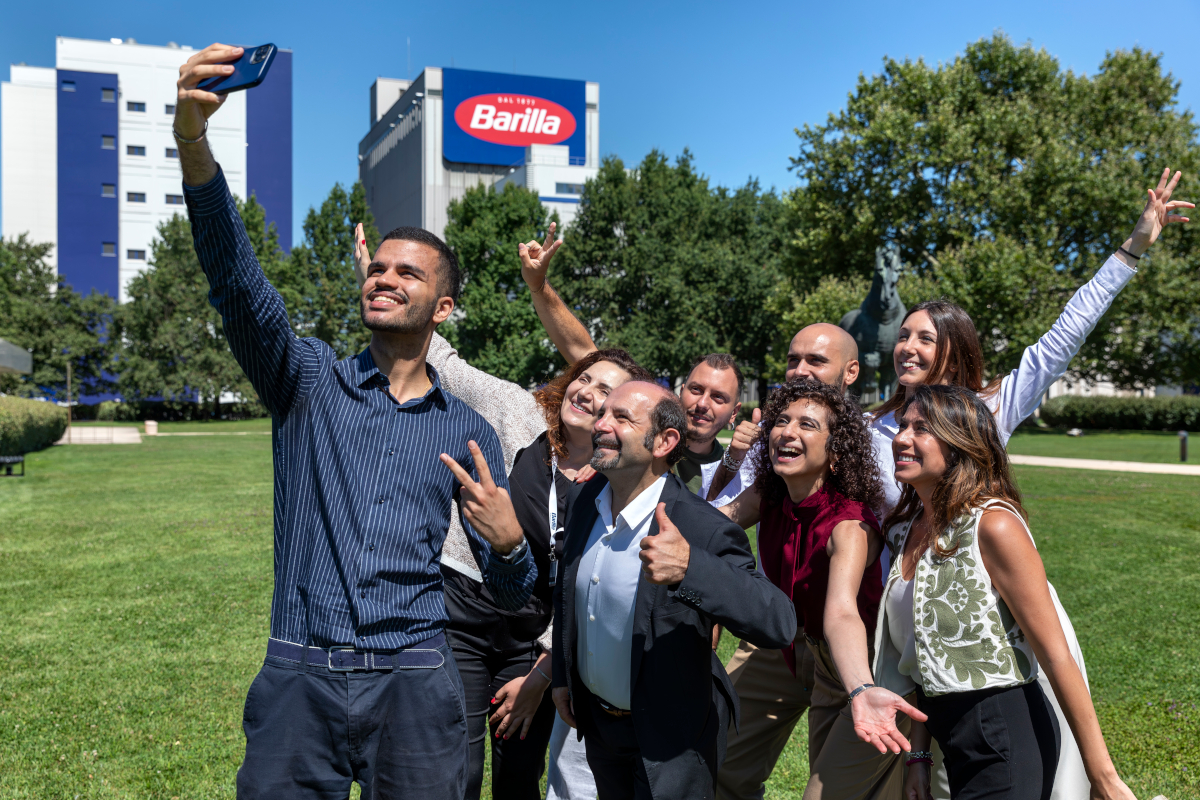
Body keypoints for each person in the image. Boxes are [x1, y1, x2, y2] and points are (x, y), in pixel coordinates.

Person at [720, 165, 1192, 800]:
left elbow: (1061, 341)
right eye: (904, 335)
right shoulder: (869, 426)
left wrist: (1131, 249)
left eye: (926, 337)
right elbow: (792, 461)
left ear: (955, 349)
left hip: (977, 617)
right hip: (891, 614)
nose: (908, 346)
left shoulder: (987, 410)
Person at [175, 45, 536, 799]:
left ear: (441, 309)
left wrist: (508, 547)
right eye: (378, 268)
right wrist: (193, 145)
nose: (385, 278)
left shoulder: (466, 429)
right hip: (300, 672)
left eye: (409, 273)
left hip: (416, 680)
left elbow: (510, 596)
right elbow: (237, 281)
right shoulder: (305, 381)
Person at [354, 226, 639, 799]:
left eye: (607, 389)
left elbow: (597, 586)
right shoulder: (517, 413)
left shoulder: (623, 486)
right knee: (451, 766)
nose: (588, 392)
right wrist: (376, 283)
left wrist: (542, 671)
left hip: (535, 637)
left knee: (517, 776)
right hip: (460, 610)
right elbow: (439, 353)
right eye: (583, 378)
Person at [882, 385, 1134, 800]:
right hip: (952, 735)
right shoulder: (909, 530)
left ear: (960, 444)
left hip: (1003, 733)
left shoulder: (994, 526)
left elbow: (1056, 655)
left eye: (922, 429)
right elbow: (923, 657)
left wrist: (1102, 776)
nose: (902, 438)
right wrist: (919, 757)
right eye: (903, 425)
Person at [551, 382, 796, 799]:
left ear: (665, 441)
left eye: (621, 418)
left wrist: (691, 570)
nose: (601, 425)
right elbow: (569, 591)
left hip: (671, 743)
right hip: (600, 729)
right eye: (603, 414)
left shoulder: (701, 527)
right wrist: (562, 675)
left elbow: (778, 622)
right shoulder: (584, 497)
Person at [721, 378, 927, 798]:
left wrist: (861, 689)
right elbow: (714, 522)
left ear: (836, 453)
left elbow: (842, 613)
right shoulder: (773, 496)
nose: (787, 432)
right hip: (811, 657)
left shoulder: (848, 526)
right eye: (781, 420)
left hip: (867, 669)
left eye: (808, 425)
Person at [518, 238, 755, 508]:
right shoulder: (639, 420)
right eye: (696, 389)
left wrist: (735, 460)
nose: (702, 403)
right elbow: (584, 352)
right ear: (680, 392)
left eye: (718, 398)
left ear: (734, 413)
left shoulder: (737, 468)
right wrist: (538, 285)